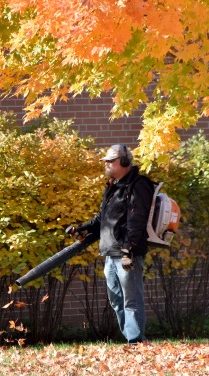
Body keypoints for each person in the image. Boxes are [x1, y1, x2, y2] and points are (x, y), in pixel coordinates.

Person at [72, 144, 153, 344]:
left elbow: (137, 219)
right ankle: (132, 338)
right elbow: (103, 218)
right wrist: (83, 228)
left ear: (124, 162)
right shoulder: (112, 187)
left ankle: (136, 341)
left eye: (110, 160)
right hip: (110, 251)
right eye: (106, 161)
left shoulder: (138, 185)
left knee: (131, 299)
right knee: (116, 299)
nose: (106, 164)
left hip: (127, 252)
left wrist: (129, 249)